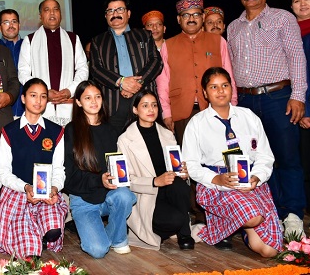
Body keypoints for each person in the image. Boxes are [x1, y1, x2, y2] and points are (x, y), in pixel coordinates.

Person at [228, 0, 307, 237]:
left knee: (287, 157)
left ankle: (293, 216)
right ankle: (273, 213)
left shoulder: (282, 18)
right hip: (246, 101)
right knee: (259, 160)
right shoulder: (233, 27)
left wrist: (298, 95)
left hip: (278, 98)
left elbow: (296, 57)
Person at [182, 67, 282, 257]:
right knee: (254, 217)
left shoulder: (249, 116)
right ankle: (229, 223)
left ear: (232, 88)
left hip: (250, 183)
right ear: (205, 93)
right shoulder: (197, 123)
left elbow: (265, 156)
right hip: (217, 186)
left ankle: (235, 226)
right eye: (213, 87)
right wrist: (216, 179)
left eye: (225, 85)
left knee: (269, 251)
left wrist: (256, 177)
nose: (220, 91)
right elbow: (191, 165)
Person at [0, 78, 68, 258]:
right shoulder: (9, 131)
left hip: (46, 194)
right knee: (29, 252)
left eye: (43, 96)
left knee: (54, 231)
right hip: (18, 193)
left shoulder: (56, 131)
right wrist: (26, 187)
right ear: (23, 98)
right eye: (33, 95)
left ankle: (40, 234)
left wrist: (54, 189)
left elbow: (58, 169)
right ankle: (30, 235)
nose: (38, 101)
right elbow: (3, 172)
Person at [63, 80, 136, 258]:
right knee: (98, 250)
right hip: (83, 199)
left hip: (108, 195)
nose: (94, 101)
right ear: (78, 102)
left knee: (125, 195)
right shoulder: (71, 130)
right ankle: (108, 234)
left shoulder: (111, 130)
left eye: (97, 97)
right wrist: (99, 179)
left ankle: (118, 238)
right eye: (87, 98)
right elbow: (69, 178)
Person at [117, 90, 193, 250]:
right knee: (175, 219)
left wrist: (183, 172)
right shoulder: (124, 139)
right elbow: (126, 180)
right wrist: (154, 181)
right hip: (146, 196)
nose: (151, 109)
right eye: (145, 106)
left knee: (181, 186)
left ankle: (185, 233)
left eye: (154, 105)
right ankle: (172, 225)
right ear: (135, 110)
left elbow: (175, 167)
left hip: (170, 191)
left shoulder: (167, 134)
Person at [156, 0, 236, 144]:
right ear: (179, 19)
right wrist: (166, 113)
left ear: (203, 17)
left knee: (219, 151)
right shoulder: (168, 45)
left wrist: (233, 106)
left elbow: (229, 76)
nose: (191, 19)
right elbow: (162, 83)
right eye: (186, 15)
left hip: (215, 109)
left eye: (196, 14)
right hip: (182, 113)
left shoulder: (218, 41)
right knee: (188, 154)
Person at [90, 0, 163, 133]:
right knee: (114, 143)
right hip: (113, 103)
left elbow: (156, 62)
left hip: (144, 98)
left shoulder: (144, 35)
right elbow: (95, 69)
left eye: (120, 9)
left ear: (128, 13)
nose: (115, 14)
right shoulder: (98, 41)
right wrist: (121, 82)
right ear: (106, 16)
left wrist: (137, 83)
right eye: (110, 11)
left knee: (147, 141)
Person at [18, 0, 88, 126]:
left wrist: (70, 91)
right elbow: (23, 72)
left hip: (68, 104)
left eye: (56, 9)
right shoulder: (30, 40)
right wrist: (44, 92)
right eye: (47, 10)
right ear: (40, 16)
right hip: (40, 104)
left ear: (60, 14)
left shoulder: (73, 39)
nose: (52, 13)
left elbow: (83, 69)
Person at [291, 0, 310, 211]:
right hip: (294, 104)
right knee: (300, 159)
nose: (303, 4)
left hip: (306, 105)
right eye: (297, 0)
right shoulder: (288, 31)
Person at [0, 8, 24, 118]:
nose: (11, 25)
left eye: (14, 21)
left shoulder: (29, 45)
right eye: (6, 22)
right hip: (2, 111)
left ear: (19, 25)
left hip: (28, 110)